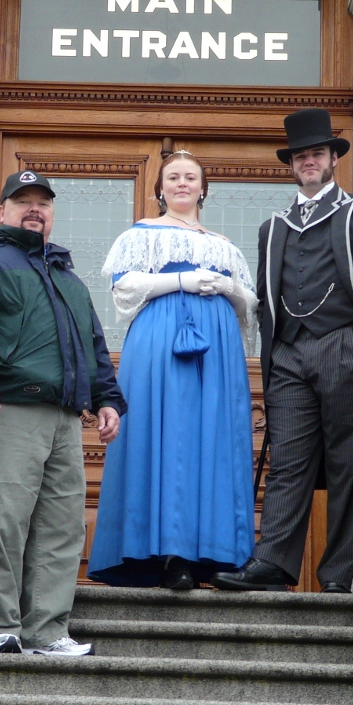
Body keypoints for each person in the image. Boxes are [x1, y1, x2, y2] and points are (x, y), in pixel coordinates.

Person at [213, 108, 353, 594]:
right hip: (289, 356)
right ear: (292, 165)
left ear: (332, 159)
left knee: (345, 466)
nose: (309, 161)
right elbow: (265, 299)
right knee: (289, 462)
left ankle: (336, 575)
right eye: (301, 156)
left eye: (317, 153)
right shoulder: (272, 227)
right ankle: (274, 564)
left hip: (346, 345)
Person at [0, 169, 127, 655]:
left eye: (42, 201)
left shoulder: (68, 277)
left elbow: (93, 344)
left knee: (63, 525)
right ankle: (0, 627)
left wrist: (108, 398)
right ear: (2, 212)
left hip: (65, 417)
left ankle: (49, 630)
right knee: (4, 519)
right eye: (22, 200)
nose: (34, 208)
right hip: (7, 408)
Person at [87, 151, 258, 589]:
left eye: (191, 177)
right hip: (161, 342)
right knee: (169, 436)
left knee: (215, 437)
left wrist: (230, 287)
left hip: (217, 348)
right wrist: (180, 281)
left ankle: (218, 553)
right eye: (173, 177)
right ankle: (168, 552)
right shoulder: (141, 234)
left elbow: (249, 306)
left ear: (204, 188)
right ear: (159, 189)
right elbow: (124, 287)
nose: (182, 183)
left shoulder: (224, 244)